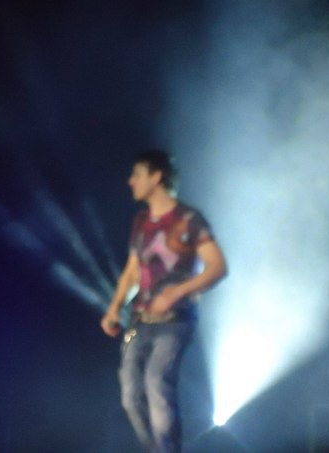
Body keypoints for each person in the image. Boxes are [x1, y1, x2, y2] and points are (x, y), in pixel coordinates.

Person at [101, 150, 227, 452]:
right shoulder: (141, 222)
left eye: (137, 175)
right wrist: (114, 307)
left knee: (156, 382)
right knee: (130, 395)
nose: (130, 181)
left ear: (156, 177)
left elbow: (217, 267)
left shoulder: (190, 220)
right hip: (140, 321)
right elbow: (133, 271)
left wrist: (178, 291)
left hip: (175, 322)